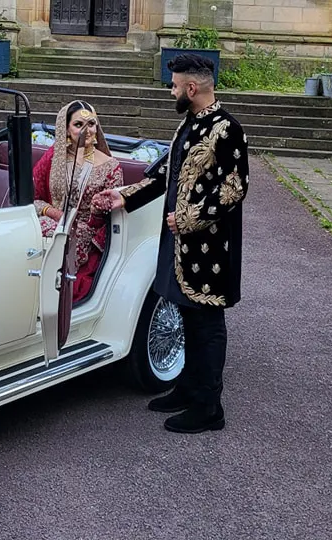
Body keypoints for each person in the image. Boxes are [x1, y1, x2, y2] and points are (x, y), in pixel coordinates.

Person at [97, 53, 250, 434]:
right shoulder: (190, 124)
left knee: (207, 324)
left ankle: (208, 407)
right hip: (180, 245)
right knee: (185, 316)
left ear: (191, 88)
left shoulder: (227, 129)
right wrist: (125, 197)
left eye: (175, 85)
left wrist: (187, 219)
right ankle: (186, 388)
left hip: (208, 248)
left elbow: (235, 189)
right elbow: (166, 171)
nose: (172, 91)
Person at [33, 100, 123, 301]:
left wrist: (98, 210)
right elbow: (34, 200)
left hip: (86, 234)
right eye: (78, 125)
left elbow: (111, 218)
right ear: (65, 129)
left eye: (91, 124)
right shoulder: (53, 158)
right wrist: (55, 214)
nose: (87, 131)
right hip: (53, 222)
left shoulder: (111, 166)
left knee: (61, 239)